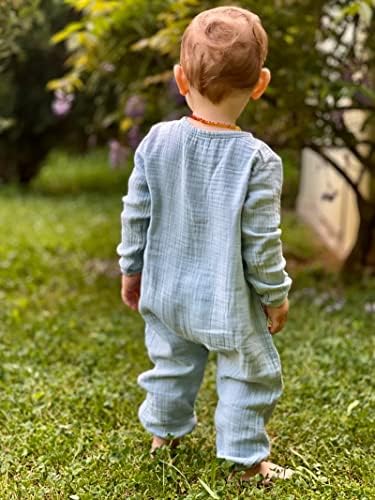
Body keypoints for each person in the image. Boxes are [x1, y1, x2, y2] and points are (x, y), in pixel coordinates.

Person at [117, 5, 293, 483]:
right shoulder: (258, 160)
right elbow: (262, 244)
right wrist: (275, 296)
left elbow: (137, 215)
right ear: (261, 84)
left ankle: (164, 436)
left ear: (180, 78)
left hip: (167, 293)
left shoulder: (155, 141)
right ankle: (243, 460)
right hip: (227, 304)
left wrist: (132, 271)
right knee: (247, 371)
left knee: (170, 364)